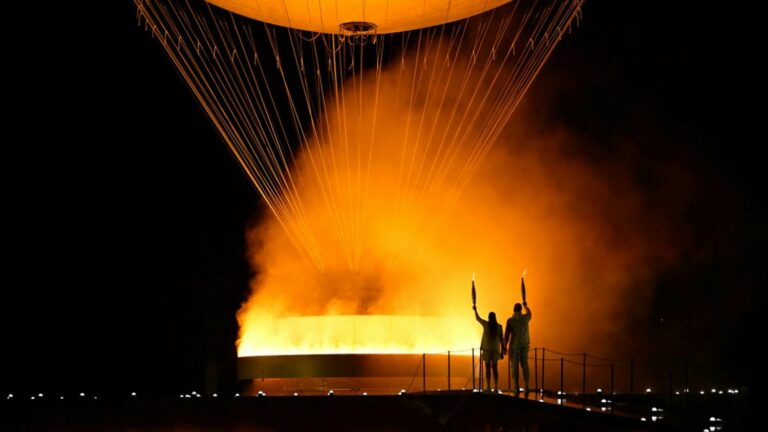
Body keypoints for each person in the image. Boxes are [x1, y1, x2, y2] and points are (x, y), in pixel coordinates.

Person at [473, 305, 504, 392]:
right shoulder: (499, 327)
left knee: (487, 369)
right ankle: (496, 386)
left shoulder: (486, 324)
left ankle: (489, 386)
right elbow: (502, 340)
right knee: (495, 368)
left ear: (489, 318)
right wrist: (502, 351)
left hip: (487, 350)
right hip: (495, 351)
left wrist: (475, 310)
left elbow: (478, 318)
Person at [505, 301, 532, 398]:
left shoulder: (510, 320)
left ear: (513, 310)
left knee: (514, 366)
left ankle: (516, 386)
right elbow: (530, 313)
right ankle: (527, 385)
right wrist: (526, 305)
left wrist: (504, 346)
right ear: (520, 309)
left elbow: (507, 334)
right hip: (525, 344)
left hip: (514, 346)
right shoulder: (525, 318)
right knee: (525, 364)